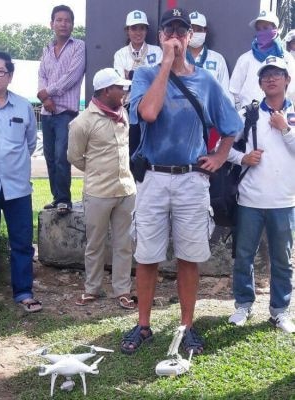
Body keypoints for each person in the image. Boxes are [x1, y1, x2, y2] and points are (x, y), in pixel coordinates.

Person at [120, 8, 243, 356]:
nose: (175, 35)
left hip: (191, 179)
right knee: (147, 256)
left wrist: (220, 156)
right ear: (160, 37)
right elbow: (148, 112)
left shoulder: (206, 80)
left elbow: (231, 126)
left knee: (190, 257)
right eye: (169, 30)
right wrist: (166, 66)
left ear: (190, 37)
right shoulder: (145, 74)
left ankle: (187, 326)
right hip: (155, 177)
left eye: (181, 30)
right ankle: (144, 325)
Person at [227, 56, 295, 333]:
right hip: (250, 199)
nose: (271, 78)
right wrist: (243, 158)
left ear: (287, 80)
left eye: (277, 74)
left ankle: (280, 311)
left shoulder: (292, 114)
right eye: (266, 75)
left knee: (282, 259)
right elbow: (224, 147)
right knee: (244, 256)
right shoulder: (249, 114)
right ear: (259, 82)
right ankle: (243, 305)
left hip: (285, 200)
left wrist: (286, 130)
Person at [67, 68, 137, 309]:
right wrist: (98, 171)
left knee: (123, 243)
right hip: (98, 193)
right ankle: (92, 289)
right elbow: (75, 157)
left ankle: (122, 290)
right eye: (120, 88)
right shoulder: (82, 122)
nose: (125, 91)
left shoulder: (123, 114)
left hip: (125, 189)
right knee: (94, 243)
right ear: (107, 91)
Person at [0, 51, 42, 313]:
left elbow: (30, 143)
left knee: (22, 242)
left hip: (17, 188)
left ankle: (23, 291)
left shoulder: (23, 106)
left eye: (0, 71)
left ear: (10, 75)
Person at [38, 4, 85, 215]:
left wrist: (47, 93)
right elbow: (41, 76)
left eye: (67, 20)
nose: (63, 24)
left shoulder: (79, 46)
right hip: (47, 113)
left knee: (61, 156)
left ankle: (65, 199)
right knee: (49, 156)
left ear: (73, 25)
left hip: (66, 111)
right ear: (52, 24)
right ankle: (56, 198)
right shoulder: (46, 49)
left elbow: (72, 76)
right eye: (59, 20)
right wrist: (43, 94)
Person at [114, 10, 163, 161]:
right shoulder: (120, 54)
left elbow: (160, 79)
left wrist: (133, 76)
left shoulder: (157, 51)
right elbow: (121, 85)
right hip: (130, 108)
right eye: (134, 28)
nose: (138, 32)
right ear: (127, 30)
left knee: (154, 149)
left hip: (154, 108)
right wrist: (146, 77)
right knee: (130, 151)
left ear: (147, 30)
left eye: (142, 28)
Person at [230, 10, 295, 109]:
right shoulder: (245, 59)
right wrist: (241, 113)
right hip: (249, 119)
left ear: (275, 29)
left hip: (278, 118)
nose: (262, 32)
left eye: (265, 28)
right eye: (258, 29)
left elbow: (292, 92)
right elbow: (233, 90)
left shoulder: (286, 59)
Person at [187, 11, 232, 100]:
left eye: (198, 29)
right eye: (191, 29)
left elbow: (226, 95)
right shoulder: (176, 59)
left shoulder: (217, 59)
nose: (194, 33)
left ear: (205, 31)